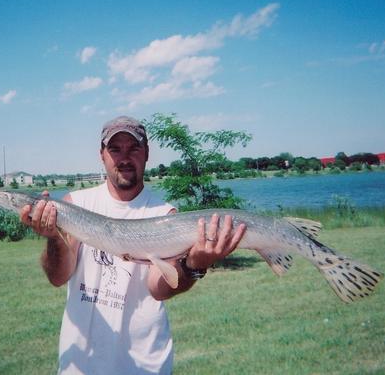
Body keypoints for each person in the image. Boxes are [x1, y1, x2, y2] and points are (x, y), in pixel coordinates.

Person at [20, 115, 246, 374]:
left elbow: (159, 289)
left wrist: (195, 264)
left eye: (133, 148)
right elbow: (58, 277)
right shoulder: (76, 203)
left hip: (144, 367)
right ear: (102, 154)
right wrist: (52, 238)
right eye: (115, 149)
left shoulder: (165, 213)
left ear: (147, 152)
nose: (124, 157)